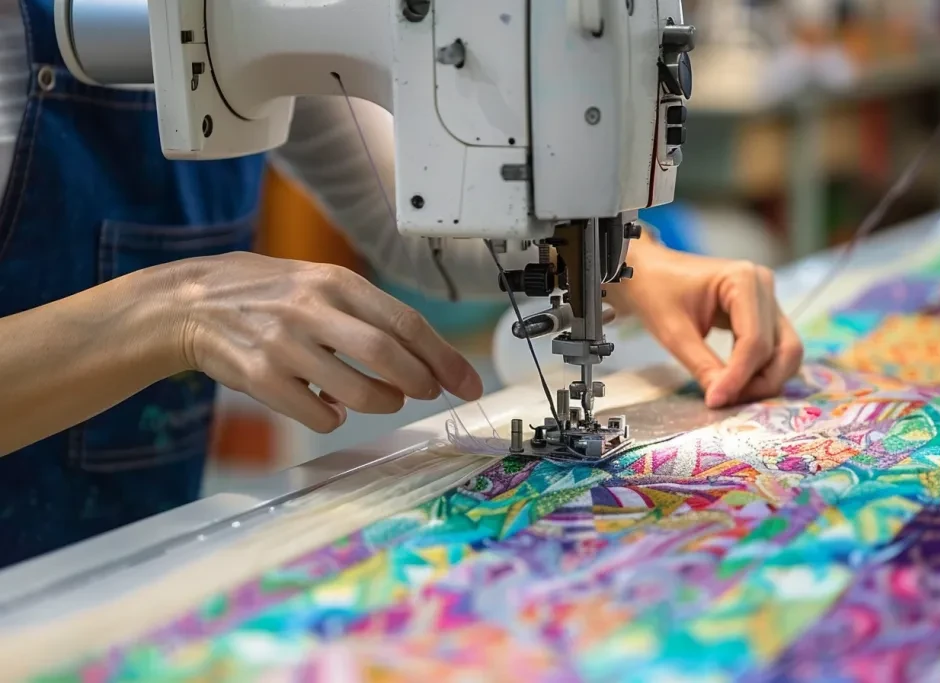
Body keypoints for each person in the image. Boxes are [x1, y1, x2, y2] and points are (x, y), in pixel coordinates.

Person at [0, 1, 803, 568]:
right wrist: (174, 307)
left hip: (124, 570)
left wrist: (634, 262)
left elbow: (421, 214)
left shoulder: (247, 22)